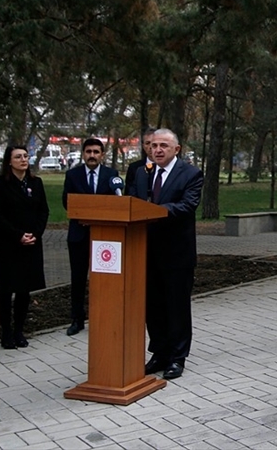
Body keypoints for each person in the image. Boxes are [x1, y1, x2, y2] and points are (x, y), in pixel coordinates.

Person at [128, 128, 202, 380]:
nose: (156, 150)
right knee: (153, 307)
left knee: (176, 307)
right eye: (153, 145)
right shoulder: (141, 173)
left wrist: (153, 211)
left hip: (177, 255)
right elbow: (133, 202)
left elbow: (187, 206)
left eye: (163, 146)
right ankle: (159, 352)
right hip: (145, 252)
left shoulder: (191, 174)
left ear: (176, 149)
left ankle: (177, 357)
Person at [0, 145, 48, 349]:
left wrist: (35, 234)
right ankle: (6, 332)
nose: (23, 160)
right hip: (7, 244)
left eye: (25, 156)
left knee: (24, 290)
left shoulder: (35, 183)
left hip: (30, 243)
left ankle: (19, 331)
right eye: (18, 157)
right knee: (5, 290)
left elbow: (43, 212)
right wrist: (18, 235)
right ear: (9, 161)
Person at [61, 137, 120, 336]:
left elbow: (116, 203)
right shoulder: (73, 175)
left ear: (102, 155)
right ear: (83, 154)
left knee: (104, 278)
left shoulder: (112, 175)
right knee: (78, 278)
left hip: (104, 237)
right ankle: (77, 319)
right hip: (79, 234)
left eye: (96, 152)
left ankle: (104, 316)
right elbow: (66, 202)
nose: (92, 155)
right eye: (89, 152)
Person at [125, 128, 156, 192]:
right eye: (147, 143)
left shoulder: (168, 167)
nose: (150, 147)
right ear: (143, 146)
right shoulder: (134, 168)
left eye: (154, 143)